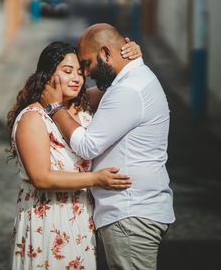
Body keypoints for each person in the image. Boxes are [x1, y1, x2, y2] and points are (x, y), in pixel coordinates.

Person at [43, 24, 175, 270]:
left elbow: (87, 145)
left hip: (130, 213)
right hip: (134, 211)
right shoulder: (133, 81)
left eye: (86, 64)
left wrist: (54, 107)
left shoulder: (128, 89)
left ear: (105, 53)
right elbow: (88, 98)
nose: (85, 73)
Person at [8, 39, 142, 270]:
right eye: (67, 71)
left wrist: (134, 57)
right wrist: (96, 179)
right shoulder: (33, 118)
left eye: (80, 72)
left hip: (80, 221)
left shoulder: (82, 107)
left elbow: (123, 84)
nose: (76, 78)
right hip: (47, 221)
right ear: (47, 75)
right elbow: (41, 178)